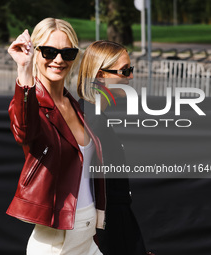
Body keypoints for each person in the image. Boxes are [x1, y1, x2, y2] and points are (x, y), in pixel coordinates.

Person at [7, 18, 105, 255]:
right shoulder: (30, 104)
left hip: (87, 235)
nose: (58, 60)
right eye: (49, 52)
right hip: (56, 243)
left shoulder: (74, 105)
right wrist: (24, 69)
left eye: (67, 53)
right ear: (35, 52)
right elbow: (24, 130)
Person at [77, 40, 152, 255]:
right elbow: (97, 193)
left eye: (131, 69)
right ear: (101, 75)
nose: (131, 76)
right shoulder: (92, 122)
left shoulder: (92, 115)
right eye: (125, 71)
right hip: (108, 232)